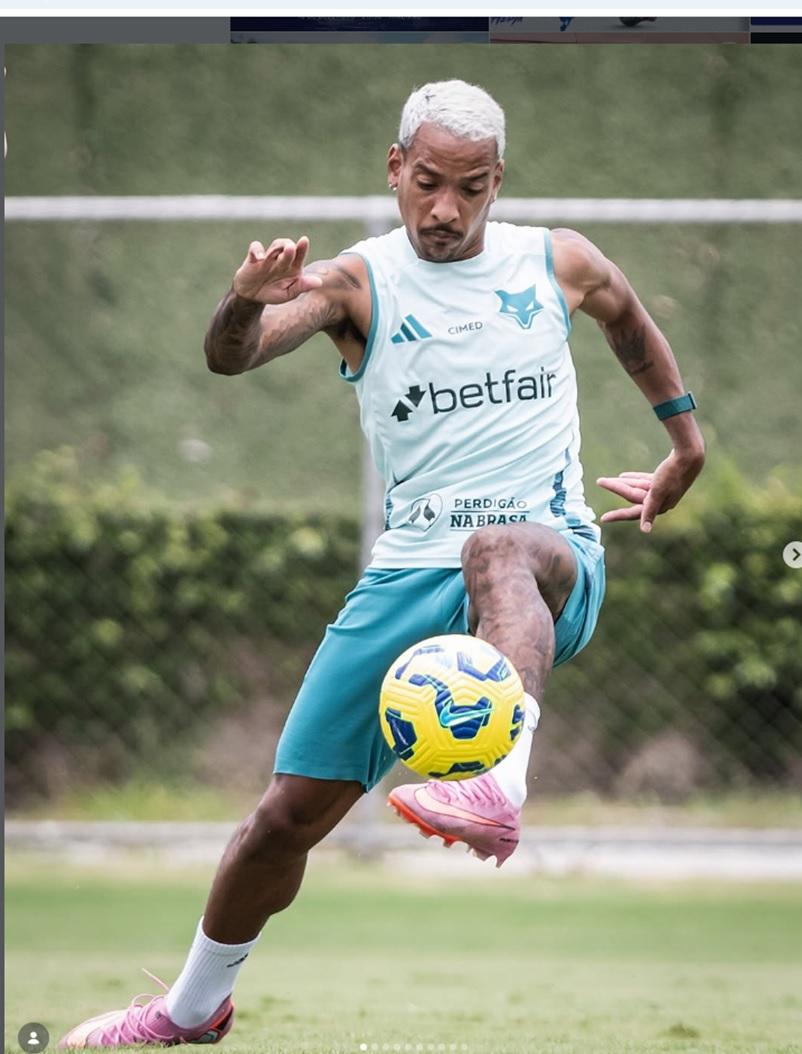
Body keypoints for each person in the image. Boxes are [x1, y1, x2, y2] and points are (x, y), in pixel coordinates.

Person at [59, 79, 704, 1048]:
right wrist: (242, 300)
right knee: (284, 818)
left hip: (548, 554)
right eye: (429, 182)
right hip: (409, 569)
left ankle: (501, 786)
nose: (446, 209)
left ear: (498, 182)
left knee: (497, 547)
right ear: (396, 168)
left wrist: (684, 447)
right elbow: (232, 355)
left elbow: (629, 323)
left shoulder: (556, 260)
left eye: (471, 189)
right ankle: (188, 1011)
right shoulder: (359, 284)